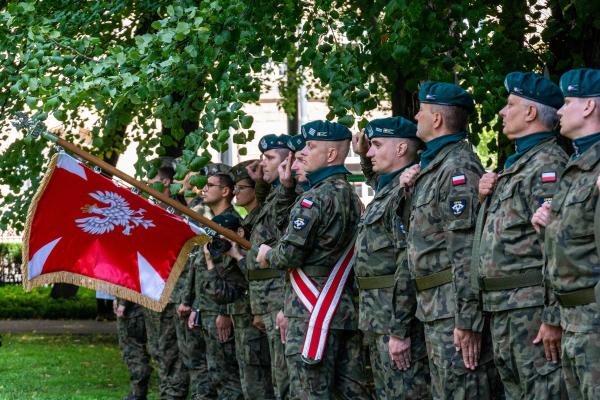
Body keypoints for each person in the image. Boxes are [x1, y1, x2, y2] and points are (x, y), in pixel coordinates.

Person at [257, 120, 373, 399]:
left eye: (310, 146)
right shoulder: (348, 193)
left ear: (331, 155)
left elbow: (289, 253)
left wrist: (266, 255)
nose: (302, 153)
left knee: (309, 391)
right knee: (349, 391)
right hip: (339, 304)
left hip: (311, 310)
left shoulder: (315, 199)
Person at [399, 81, 499, 399]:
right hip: (436, 308)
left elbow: (467, 249)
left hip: (452, 310)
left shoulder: (458, 168)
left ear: (438, 120)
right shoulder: (433, 168)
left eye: (422, 111)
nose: (416, 117)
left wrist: (468, 319)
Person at [475, 72, 568, 399]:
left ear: (530, 113)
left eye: (510, 104)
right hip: (507, 307)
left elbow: (558, 246)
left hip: (530, 310)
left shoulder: (548, 164)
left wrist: (553, 316)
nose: (502, 112)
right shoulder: (519, 164)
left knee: (542, 392)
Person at [531, 68, 600, 400]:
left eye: (568, 101)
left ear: (588, 107)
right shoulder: (578, 164)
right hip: (575, 323)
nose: (559, 110)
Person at [352, 117, 431, 399]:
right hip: (377, 317)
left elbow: (407, 263)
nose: (369, 152)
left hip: (395, 321)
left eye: (376, 145)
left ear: (400, 149)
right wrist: (362, 155)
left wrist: (399, 330)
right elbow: (377, 179)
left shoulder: (410, 190)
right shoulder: (390, 188)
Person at [240, 134, 297, 400]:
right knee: (275, 372)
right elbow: (258, 225)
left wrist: (282, 305)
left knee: (284, 375)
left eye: (270, 158)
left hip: (280, 297)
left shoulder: (293, 194)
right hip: (266, 298)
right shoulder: (275, 194)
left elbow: (284, 242)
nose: (263, 163)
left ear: (290, 160)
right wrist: (260, 184)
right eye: (262, 157)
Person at [188, 172, 243, 400]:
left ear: (226, 191)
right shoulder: (212, 221)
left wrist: (225, 311)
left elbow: (233, 275)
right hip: (207, 306)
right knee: (212, 372)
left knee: (227, 376)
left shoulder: (231, 224)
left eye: (210, 185)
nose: (204, 189)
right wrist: (195, 306)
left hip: (222, 309)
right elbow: (200, 268)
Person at [143, 165, 189, 400]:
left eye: (154, 183)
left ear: (168, 183)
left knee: (174, 354)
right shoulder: (149, 212)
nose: (150, 187)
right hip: (152, 295)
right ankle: (166, 393)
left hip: (175, 296)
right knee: (158, 350)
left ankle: (173, 395)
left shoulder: (181, 213)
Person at [115, 299, 153, 400]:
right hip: (137, 310)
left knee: (134, 353)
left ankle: (138, 394)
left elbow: (132, 283)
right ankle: (138, 392)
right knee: (136, 351)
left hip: (133, 312)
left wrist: (123, 303)